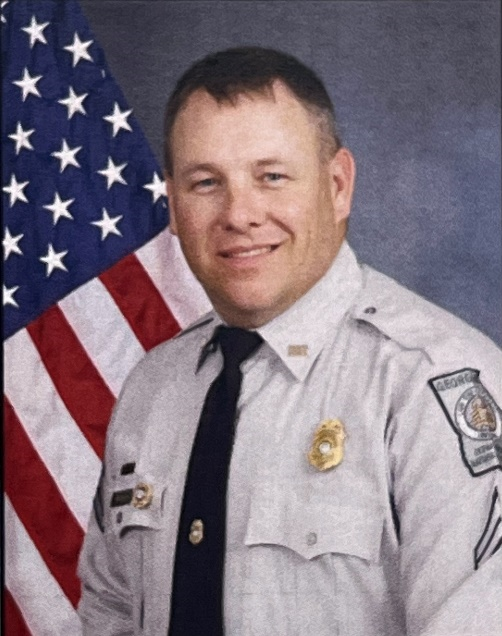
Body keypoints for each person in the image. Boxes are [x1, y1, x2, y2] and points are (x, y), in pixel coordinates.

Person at [78, 47, 502, 635]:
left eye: (271, 177)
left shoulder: (427, 384)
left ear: (337, 186)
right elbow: (109, 615)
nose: (239, 214)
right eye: (206, 183)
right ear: (172, 205)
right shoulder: (154, 390)